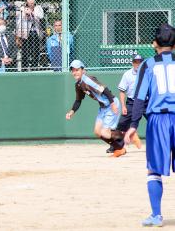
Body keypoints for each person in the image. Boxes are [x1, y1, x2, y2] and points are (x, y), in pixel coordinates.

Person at [124, 23, 175, 227]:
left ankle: (156, 215)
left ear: (155, 44)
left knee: (154, 169)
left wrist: (134, 124)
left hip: (158, 121)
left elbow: (139, 98)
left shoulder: (148, 64)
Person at [66, 59, 126, 157]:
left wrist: (112, 104)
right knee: (97, 132)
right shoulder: (78, 84)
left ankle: (126, 136)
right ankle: (120, 148)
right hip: (103, 108)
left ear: (82, 70)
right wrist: (71, 112)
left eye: (77, 70)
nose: (75, 72)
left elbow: (105, 90)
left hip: (111, 104)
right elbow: (78, 100)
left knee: (105, 133)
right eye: (73, 70)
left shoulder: (88, 80)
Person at [106, 54, 144, 153]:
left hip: (146, 102)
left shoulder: (148, 73)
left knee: (155, 120)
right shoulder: (127, 74)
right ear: (132, 63)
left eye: (140, 62)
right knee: (121, 124)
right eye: (136, 62)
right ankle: (116, 146)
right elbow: (122, 91)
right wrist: (123, 106)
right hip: (132, 102)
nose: (138, 64)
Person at [16, 0, 44, 69]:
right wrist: (25, 14)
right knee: (25, 51)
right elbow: (19, 21)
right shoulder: (22, 8)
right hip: (25, 32)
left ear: (35, 0)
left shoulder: (38, 8)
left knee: (35, 51)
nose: (31, 1)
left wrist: (32, 13)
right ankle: (24, 68)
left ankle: (34, 67)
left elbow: (41, 16)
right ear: (26, 0)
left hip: (35, 31)